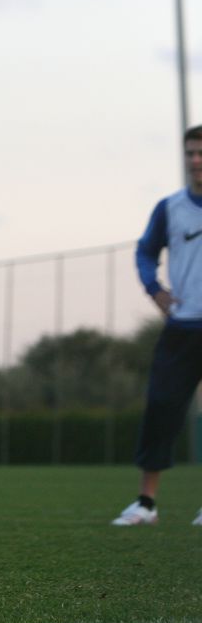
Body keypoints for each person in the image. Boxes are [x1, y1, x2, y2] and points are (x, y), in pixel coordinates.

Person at [112, 124, 202, 527]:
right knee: (161, 408)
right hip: (182, 328)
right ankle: (146, 504)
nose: (196, 160)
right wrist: (154, 288)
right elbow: (146, 251)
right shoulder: (170, 208)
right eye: (191, 153)